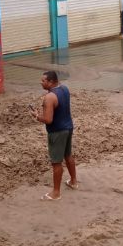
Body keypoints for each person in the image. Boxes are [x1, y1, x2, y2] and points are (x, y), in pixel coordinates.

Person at [32, 70, 78, 200]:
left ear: (51, 82)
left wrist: (36, 116)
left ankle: (56, 193)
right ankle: (73, 182)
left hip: (57, 132)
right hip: (68, 127)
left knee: (56, 162)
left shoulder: (49, 98)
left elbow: (48, 119)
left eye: (43, 81)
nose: (41, 83)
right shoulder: (64, 89)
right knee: (68, 155)